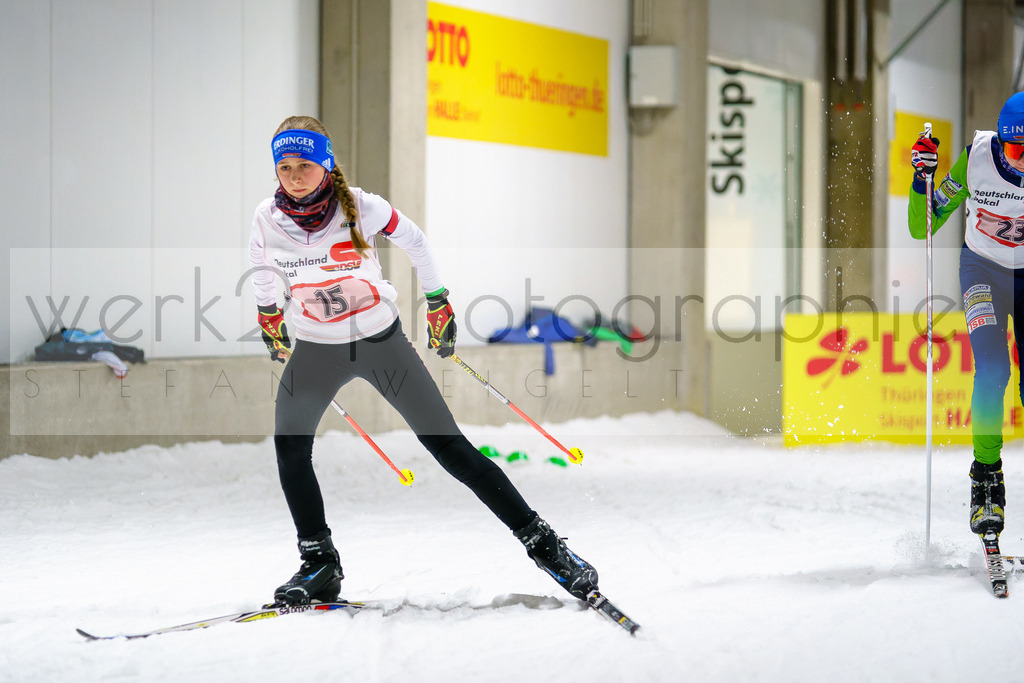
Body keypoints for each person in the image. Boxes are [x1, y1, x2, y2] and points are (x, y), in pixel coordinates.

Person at [249, 115, 600, 606]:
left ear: (326, 164)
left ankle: (547, 547)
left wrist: (438, 302)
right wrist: (269, 314)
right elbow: (262, 268)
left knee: (449, 448)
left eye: (304, 165)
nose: (294, 176)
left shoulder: (362, 207)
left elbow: (415, 241)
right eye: (284, 167)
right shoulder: (267, 218)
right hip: (315, 348)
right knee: (290, 447)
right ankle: (319, 563)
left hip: (379, 343)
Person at [907, 93, 1024, 537]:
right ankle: (986, 479)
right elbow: (923, 225)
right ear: (1001, 142)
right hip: (983, 270)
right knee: (993, 370)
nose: (1021, 161)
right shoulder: (976, 159)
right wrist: (922, 181)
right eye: (1014, 149)